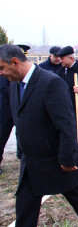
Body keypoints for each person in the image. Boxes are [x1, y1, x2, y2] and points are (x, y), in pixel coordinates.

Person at [0, 44, 78, 226]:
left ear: (15, 62)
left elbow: (66, 126)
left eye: (2, 68)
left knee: (76, 193)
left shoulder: (50, 83)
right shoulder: (14, 83)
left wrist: (67, 160)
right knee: (25, 207)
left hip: (56, 158)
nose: (1, 73)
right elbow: (21, 120)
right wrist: (21, 152)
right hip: (31, 161)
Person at [0, 45, 30, 174]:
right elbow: (4, 88)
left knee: (22, 134)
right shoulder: (5, 72)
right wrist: (16, 100)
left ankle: (22, 156)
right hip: (7, 110)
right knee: (1, 137)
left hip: (22, 110)